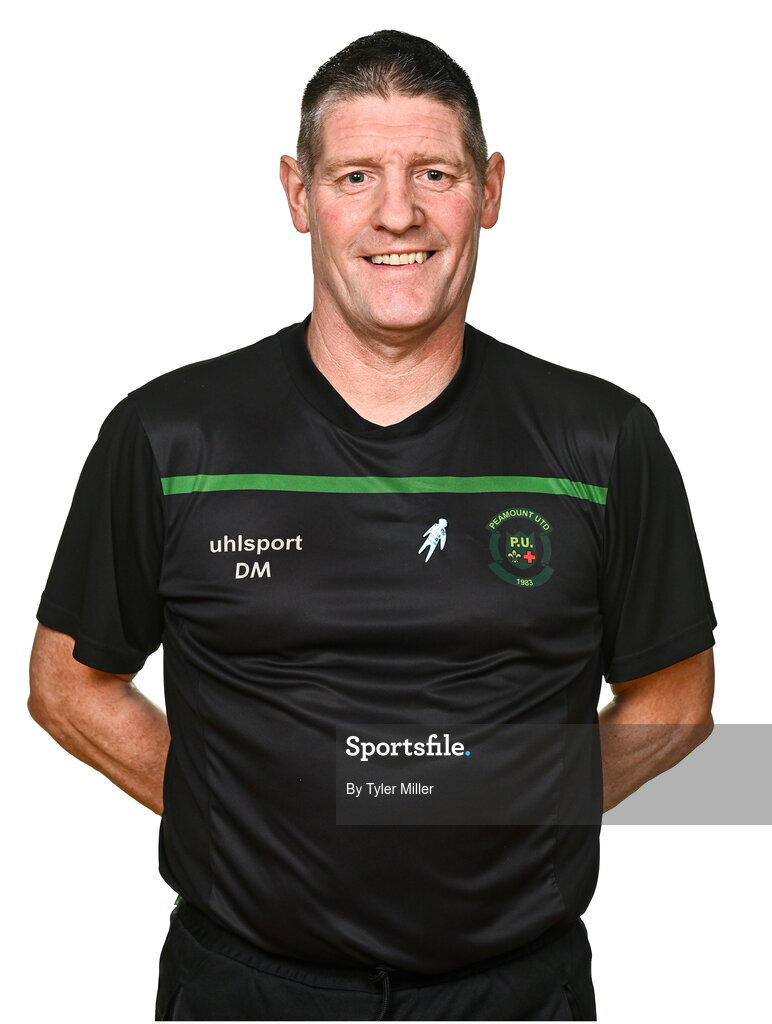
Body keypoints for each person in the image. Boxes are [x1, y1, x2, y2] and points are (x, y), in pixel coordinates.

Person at [28, 28, 716, 1022]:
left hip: (516, 996)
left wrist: (504, 815)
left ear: (489, 190)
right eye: (356, 176)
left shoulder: (602, 440)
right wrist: (250, 824)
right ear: (298, 194)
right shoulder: (170, 436)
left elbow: (679, 697)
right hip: (246, 993)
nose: (398, 212)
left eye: (434, 173)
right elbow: (67, 683)